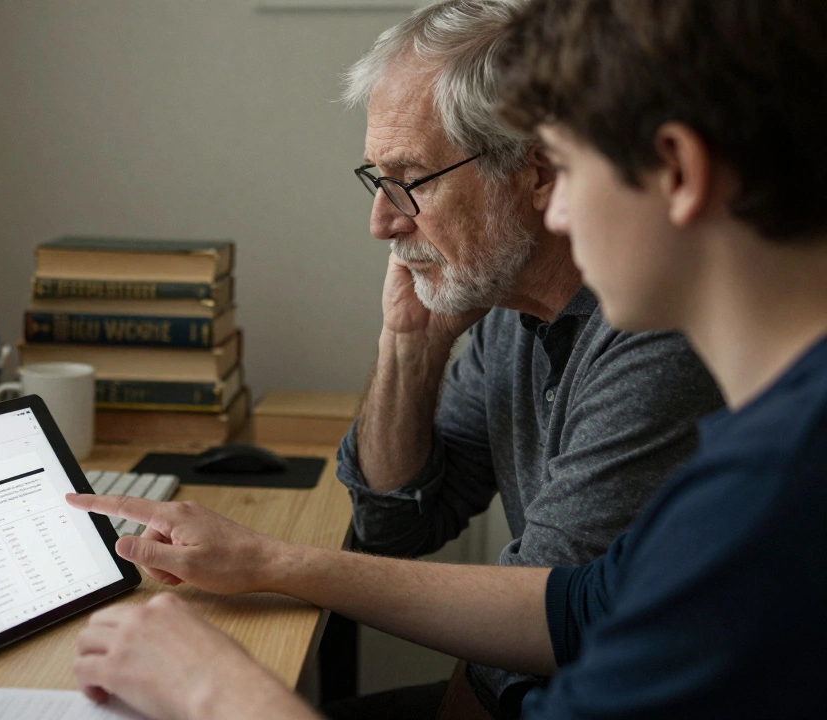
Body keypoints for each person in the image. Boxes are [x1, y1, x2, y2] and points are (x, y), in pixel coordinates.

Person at [66, 1, 827, 718]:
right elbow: (579, 604)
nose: (559, 211)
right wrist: (269, 560)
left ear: (676, 172)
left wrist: (211, 688)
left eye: (568, 167)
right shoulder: (766, 439)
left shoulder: (768, 486)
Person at [341, 1, 722, 716]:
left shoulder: (654, 337)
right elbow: (393, 528)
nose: (382, 220)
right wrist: (409, 347)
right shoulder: (507, 316)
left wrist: (279, 567)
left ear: (538, 171)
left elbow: (539, 628)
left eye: (410, 179)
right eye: (376, 178)